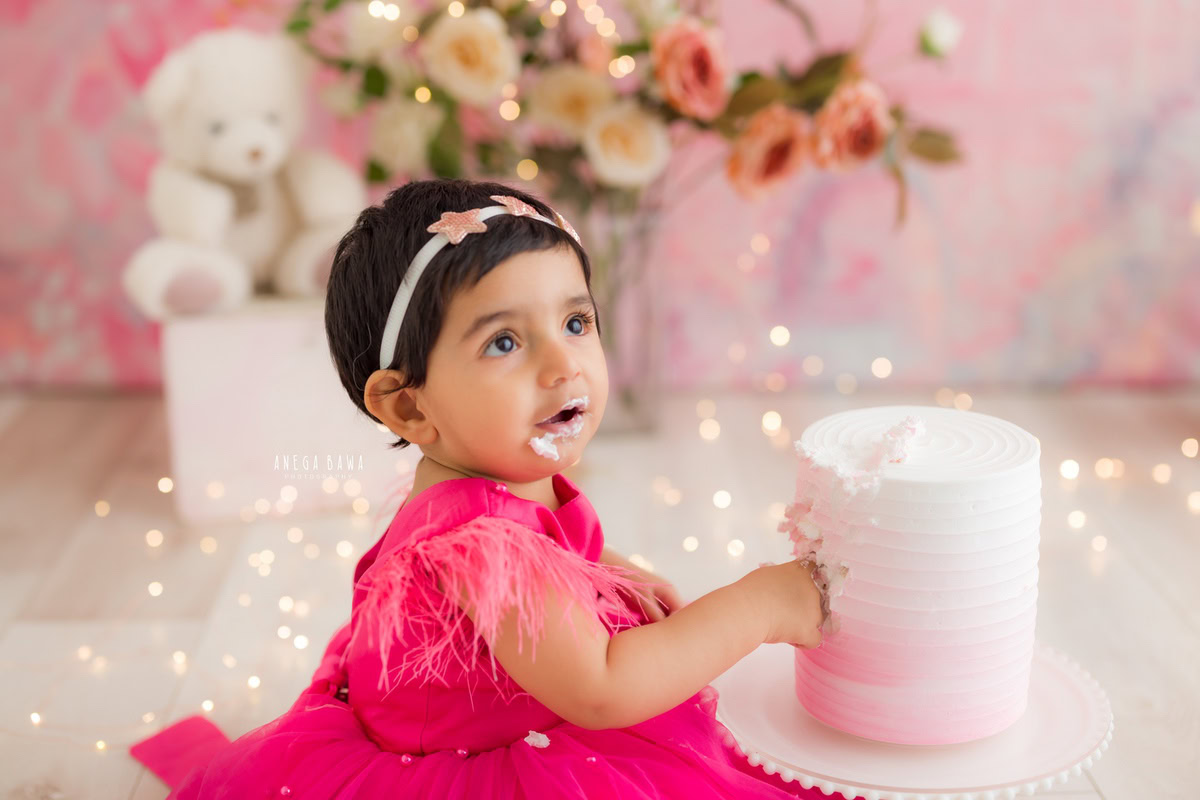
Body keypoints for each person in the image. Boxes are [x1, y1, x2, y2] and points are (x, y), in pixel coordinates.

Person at [130, 178, 832, 798]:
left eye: (575, 322)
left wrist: (613, 572)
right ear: (409, 407)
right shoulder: (479, 542)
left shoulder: (502, 472)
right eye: (505, 342)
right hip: (480, 766)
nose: (563, 365)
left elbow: (558, 545)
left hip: (497, 704)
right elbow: (603, 686)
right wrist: (757, 607)